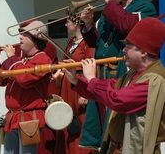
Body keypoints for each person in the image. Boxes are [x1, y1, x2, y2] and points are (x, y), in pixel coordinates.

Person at [79, 0, 157, 149]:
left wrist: (112, 4)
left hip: (124, 70)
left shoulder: (145, 6)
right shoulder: (113, 8)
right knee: (99, 124)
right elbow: (97, 42)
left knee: (115, 124)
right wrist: (89, 24)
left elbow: (128, 27)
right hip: (103, 72)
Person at [64, 17, 165, 154]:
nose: (123, 50)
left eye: (128, 46)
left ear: (143, 52)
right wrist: (77, 80)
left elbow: (118, 99)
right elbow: (109, 87)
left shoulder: (155, 78)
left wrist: (92, 79)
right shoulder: (135, 74)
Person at [0, 20, 53, 154]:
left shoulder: (43, 59)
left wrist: (11, 57)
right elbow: (1, 81)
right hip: (13, 118)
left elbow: (24, 79)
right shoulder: (21, 61)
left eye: (25, 34)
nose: (20, 37)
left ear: (35, 38)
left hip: (30, 118)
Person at [52, 15, 96, 154]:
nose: (65, 25)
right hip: (67, 86)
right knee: (68, 122)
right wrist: (58, 73)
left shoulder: (87, 43)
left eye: (68, 22)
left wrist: (87, 93)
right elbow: (65, 61)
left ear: (77, 23)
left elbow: (91, 65)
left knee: (80, 122)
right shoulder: (71, 42)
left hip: (80, 85)